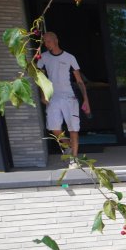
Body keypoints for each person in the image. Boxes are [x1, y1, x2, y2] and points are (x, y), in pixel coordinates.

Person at [36, 32, 91, 168]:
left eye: (48, 41)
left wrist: (86, 100)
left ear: (56, 40)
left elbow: (79, 81)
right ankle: (69, 147)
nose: (46, 44)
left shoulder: (69, 58)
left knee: (73, 129)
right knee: (54, 128)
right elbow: (40, 79)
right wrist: (43, 95)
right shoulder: (43, 58)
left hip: (69, 97)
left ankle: (74, 160)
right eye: (44, 41)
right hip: (53, 97)